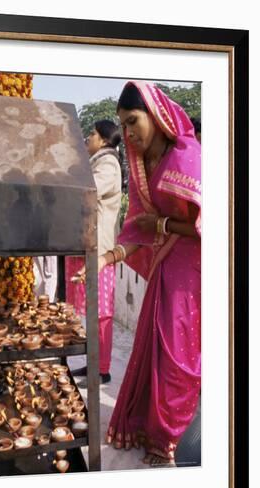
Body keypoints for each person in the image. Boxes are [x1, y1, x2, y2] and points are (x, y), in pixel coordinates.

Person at [101, 81, 201, 466]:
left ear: (157, 116)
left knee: (177, 354)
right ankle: (149, 427)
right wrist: (107, 259)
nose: (128, 133)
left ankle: (169, 440)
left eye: (133, 122)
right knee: (155, 348)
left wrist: (160, 225)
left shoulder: (187, 155)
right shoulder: (143, 165)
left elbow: (211, 223)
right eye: (123, 126)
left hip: (192, 267)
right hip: (165, 265)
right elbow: (140, 229)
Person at [66, 119, 122, 385]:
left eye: (92, 134)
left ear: (103, 140)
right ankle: (93, 365)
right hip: (88, 246)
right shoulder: (97, 162)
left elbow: (87, 192)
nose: (88, 138)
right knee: (90, 311)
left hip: (99, 252)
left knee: (100, 313)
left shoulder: (108, 164)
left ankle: (102, 370)